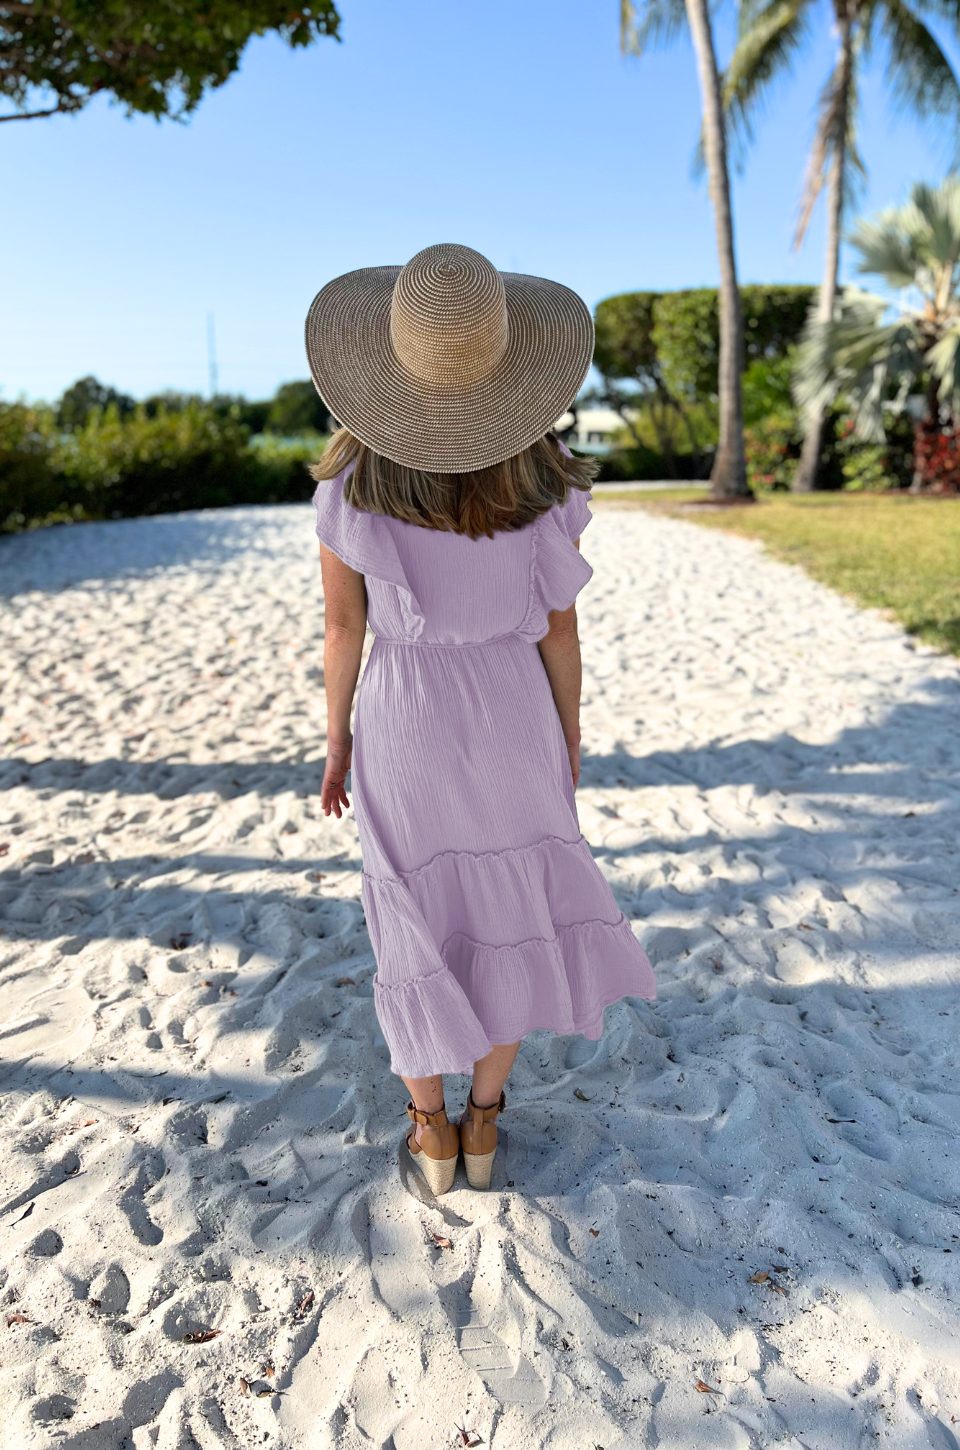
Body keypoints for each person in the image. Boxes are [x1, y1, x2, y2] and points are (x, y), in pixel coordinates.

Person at [305, 243, 656, 1196]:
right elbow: (561, 637)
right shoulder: (546, 489)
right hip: (515, 716)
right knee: (515, 911)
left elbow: (345, 629)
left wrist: (337, 742)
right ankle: (485, 1123)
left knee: (409, 917)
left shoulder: (349, 487)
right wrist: (567, 732)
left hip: (404, 716)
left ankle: (431, 1132)